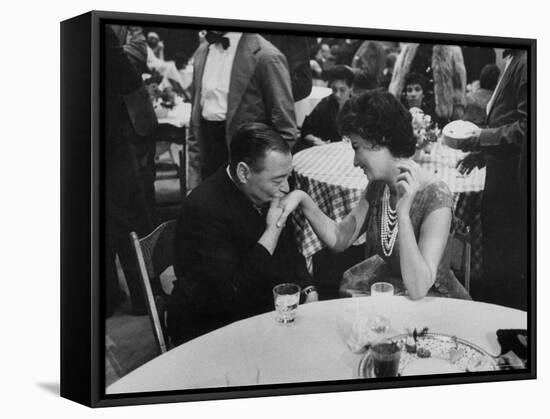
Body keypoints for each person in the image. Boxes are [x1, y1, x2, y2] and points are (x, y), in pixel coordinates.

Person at [276, 91, 470, 300]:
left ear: (382, 140)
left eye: (357, 148)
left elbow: (418, 288)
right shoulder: (378, 186)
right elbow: (341, 238)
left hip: (432, 304)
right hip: (390, 295)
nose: (355, 161)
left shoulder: (436, 197)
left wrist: (403, 215)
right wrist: (303, 199)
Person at [168, 123, 318, 345]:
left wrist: (308, 288)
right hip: (211, 328)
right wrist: (272, 230)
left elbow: (289, 251)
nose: (286, 187)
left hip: (258, 308)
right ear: (243, 172)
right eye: (278, 180)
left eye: (288, 176)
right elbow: (231, 294)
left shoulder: (266, 189)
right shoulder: (204, 209)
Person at [456, 49, 528, 310]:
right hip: (500, 179)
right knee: (496, 260)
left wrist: (481, 138)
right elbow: (509, 122)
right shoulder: (514, 61)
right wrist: (481, 155)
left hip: (513, 188)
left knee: (505, 268)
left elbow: (526, 130)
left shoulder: (526, 61)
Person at [187, 31, 297, 190]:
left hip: (249, 169)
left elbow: (286, 129)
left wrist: (266, 183)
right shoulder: (202, 52)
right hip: (208, 163)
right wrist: (193, 182)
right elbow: (195, 124)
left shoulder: (267, 56)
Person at [104, 25, 158, 317]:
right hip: (117, 135)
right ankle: (142, 297)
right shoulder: (106, 33)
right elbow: (129, 75)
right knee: (130, 217)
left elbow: (138, 52)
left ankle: (109, 297)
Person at [389, 43, 467, 126]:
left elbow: (458, 86)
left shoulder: (452, 49)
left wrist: (457, 112)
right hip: (409, 109)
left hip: (441, 112)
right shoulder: (408, 48)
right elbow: (397, 82)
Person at [297, 65, 354, 149]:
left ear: (351, 88)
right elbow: (306, 132)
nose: (337, 94)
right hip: (328, 150)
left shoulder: (358, 107)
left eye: (342, 90)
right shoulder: (325, 105)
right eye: (334, 89)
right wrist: (316, 140)